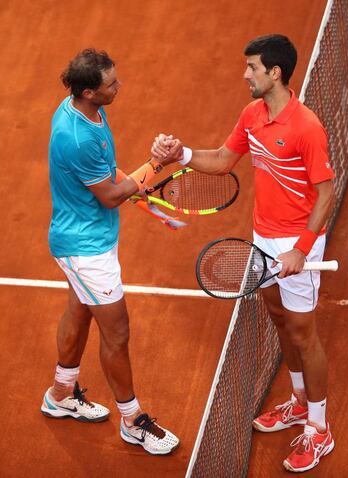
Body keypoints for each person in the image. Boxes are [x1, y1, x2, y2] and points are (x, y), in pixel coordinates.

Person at [151, 34, 335, 472]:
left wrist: (301, 251)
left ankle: (319, 429)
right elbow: (220, 159)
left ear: (274, 72)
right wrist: (183, 155)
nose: (245, 73)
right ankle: (297, 400)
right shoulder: (252, 114)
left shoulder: (306, 127)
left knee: (303, 333)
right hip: (262, 237)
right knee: (277, 318)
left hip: (297, 243)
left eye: (252, 67)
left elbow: (325, 194)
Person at [41, 48, 179, 456]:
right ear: (89, 91)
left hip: (89, 237)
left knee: (80, 311)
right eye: (111, 85)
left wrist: (143, 194)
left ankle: (61, 393)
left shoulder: (82, 109)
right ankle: (133, 421)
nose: (119, 88)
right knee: (117, 334)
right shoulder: (77, 135)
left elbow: (109, 174)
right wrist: (156, 165)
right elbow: (110, 196)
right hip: (85, 250)